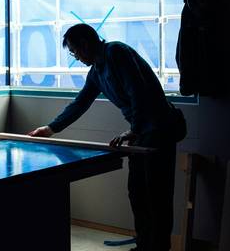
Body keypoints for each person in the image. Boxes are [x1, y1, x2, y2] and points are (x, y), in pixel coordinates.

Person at [28, 23, 185, 251]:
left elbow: (138, 92)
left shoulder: (116, 53)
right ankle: (144, 245)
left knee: (157, 196)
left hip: (159, 130)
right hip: (140, 133)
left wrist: (133, 130)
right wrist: (51, 128)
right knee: (137, 193)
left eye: (74, 51)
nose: (75, 56)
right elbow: (81, 103)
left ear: (85, 44)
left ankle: (159, 248)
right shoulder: (96, 72)